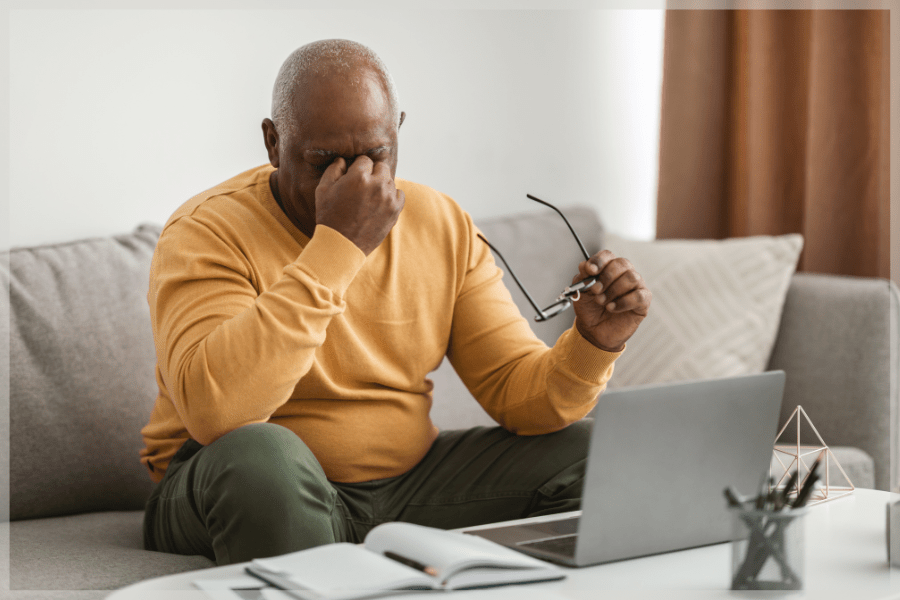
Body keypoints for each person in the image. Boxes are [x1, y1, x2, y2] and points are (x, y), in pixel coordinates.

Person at [140, 39, 651, 566]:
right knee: (260, 456)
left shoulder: (439, 222)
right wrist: (338, 248)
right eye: (322, 161)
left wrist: (593, 344)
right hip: (232, 480)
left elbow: (517, 395)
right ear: (273, 143)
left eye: (376, 156)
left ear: (398, 130)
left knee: (599, 455)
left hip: (408, 487)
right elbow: (216, 412)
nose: (354, 180)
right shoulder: (205, 230)